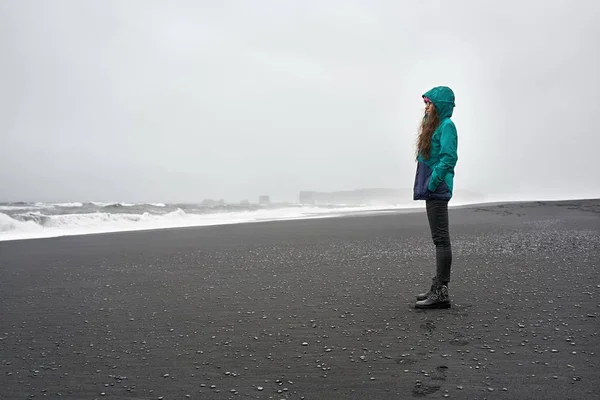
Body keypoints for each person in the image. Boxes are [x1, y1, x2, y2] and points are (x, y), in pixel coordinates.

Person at [412, 86, 458, 309]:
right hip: (433, 189)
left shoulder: (447, 126)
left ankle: (441, 292)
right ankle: (437, 286)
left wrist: (432, 181)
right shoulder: (436, 126)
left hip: (438, 188)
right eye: (425, 104)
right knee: (438, 240)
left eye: (430, 103)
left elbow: (449, 158)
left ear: (439, 105)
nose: (427, 107)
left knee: (441, 240)